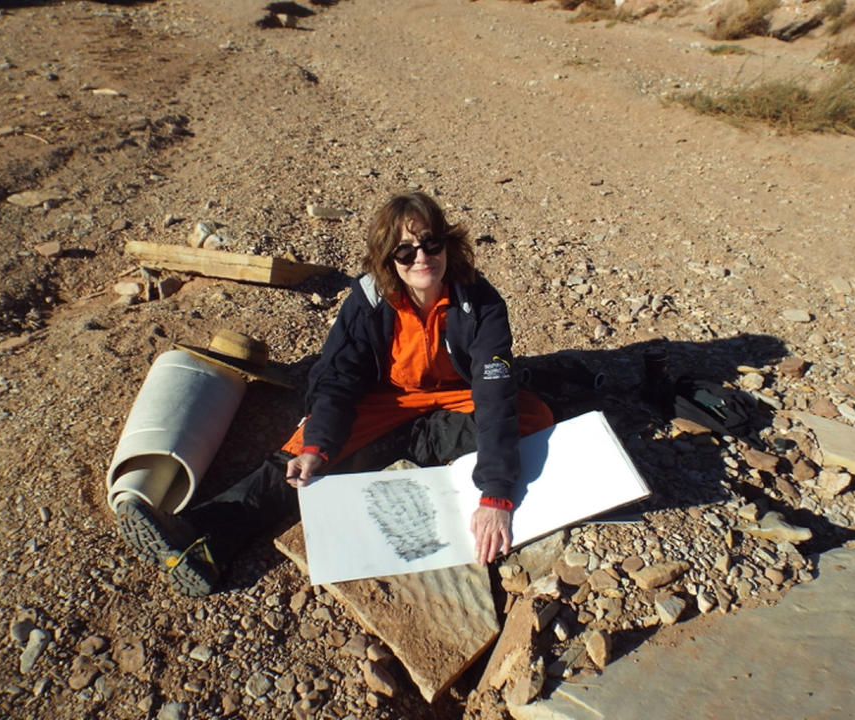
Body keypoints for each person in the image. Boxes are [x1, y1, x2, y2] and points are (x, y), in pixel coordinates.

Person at [116, 192, 554, 596]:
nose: (421, 257)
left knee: (532, 414)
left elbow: (493, 390)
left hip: (461, 394)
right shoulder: (367, 300)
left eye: (430, 243)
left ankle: (412, 442)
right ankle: (202, 535)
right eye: (405, 249)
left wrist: (496, 496)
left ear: (447, 244)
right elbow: (337, 379)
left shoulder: (479, 300)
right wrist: (321, 445)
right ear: (388, 257)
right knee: (304, 456)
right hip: (388, 401)